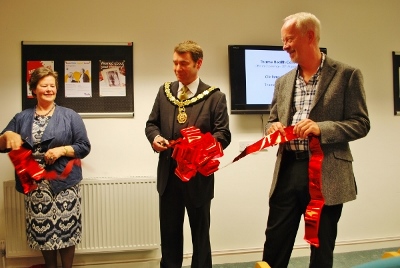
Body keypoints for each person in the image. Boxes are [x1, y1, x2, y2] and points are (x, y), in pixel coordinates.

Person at [260, 12, 370, 268]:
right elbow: (271, 120)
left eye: (288, 39)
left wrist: (321, 128)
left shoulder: (347, 75)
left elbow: (361, 123)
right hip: (288, 170)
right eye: (283, 40)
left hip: (326, 175)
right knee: (275, 243)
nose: (284, 46)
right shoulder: (282, 82)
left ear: (309, 36)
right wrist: (273, 128)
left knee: (321, 248)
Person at [145, 40, 231, 268]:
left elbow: (223, 134)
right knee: (170, 236)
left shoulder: (215, 97)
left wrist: (198, 149)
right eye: (174, 63)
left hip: (198, 178)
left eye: (183, 64)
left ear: (198, 63)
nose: (177, 69)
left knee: (200, 238)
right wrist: (155, 138)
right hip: (168, 178)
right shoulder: (164, 93)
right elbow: (151, 124)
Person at [0, 67, 91, 268]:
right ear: (33, 89)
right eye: (44, 85)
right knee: (43, 233)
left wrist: (62, 150)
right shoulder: (21, 118)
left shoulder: (70, 116)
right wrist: (7, 136)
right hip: (35, 187)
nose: (49, 89)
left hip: (65, 186)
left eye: (52, 85)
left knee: (67, 233)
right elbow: (1, 144)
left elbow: (84, 147)